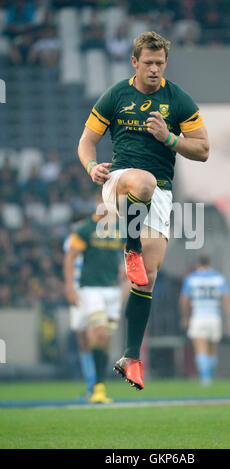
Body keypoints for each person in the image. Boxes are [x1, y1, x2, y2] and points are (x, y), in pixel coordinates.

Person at [77, 31, 209, 390]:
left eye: (160, 63)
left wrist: (169, 138)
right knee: (143, 182)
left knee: (146, 278)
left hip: (161, 195)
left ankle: (130, 357)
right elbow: (87, 141)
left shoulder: (177, 99)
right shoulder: (117, 95)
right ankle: (130, 247)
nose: (154, 69)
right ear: (134, 62)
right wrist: (92, 167)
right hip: (120, 182)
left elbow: (203, 149)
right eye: (148, 62)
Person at [64, 194, 126, 403]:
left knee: (105, 339)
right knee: (98, 333)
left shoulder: (119, 229)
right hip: (91, 289)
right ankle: (97, 386)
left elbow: (130, 253)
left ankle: (98, 386)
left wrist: (127, 272)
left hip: (112, 291)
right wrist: (70, 289)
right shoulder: (86, 228)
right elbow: (70, 256)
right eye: (100, 201)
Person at [179, 255, 230, 385]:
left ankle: (206, 379)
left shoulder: (191, 279)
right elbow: (226, 299)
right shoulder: (218, 278)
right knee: (212, 350)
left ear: (197, 264)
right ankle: (209, 376)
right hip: (214, 317)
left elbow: (184, 300)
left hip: (198, 317)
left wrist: (185, 317)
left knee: (200, 349)